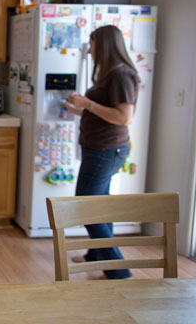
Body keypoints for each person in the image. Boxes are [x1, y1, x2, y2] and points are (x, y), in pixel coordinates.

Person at [63, 25, 139, 280]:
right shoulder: (109, 74)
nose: (90, 50)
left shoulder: (120, 75)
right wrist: (78, 108)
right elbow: (102, 111)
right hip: (100, 148)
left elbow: (124, 117)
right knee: (99, 204)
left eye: (93, 44)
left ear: (104, 46)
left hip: (106, 150)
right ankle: (95, 255)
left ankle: (119, 270)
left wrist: (87, 104)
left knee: (86, 206)